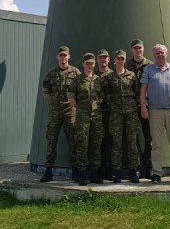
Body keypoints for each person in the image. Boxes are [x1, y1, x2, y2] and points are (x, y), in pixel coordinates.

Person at [140, 43, 170, 183]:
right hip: (155, 110)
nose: (160, 55)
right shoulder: (149, 69)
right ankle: (156, 173)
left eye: (162, 52)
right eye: (157, 53)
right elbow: (143, 89)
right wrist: (143, 107)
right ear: (154, 55)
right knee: (156, 144)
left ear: (166, 54)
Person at [40, 45, 80, 182]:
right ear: (58, 57)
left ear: (69, 56)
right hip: (55, 112)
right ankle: (48, 171)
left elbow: (81, 90)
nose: (63, 58)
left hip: (70, 111)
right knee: (51, 141)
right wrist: (55, 103)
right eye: (61, 55)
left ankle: (75, 171)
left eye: (65, 55)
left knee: (73, 141)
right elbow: (45, 93)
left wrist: (73, 104)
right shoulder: (51, 74)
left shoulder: (75, 73)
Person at [103, 49, 141, 183]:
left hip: (131, 113)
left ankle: (134, 170)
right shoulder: (109, 77)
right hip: (116, 114)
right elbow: (107, 96)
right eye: (118, 59)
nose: (120, 61)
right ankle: (117, 171)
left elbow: (137, 92)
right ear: (114, 60)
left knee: (132, 143)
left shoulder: (131, 75)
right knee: (116, 143)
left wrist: (134, 107)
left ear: (125, 61)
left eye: (122, 59)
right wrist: (114, 107)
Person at [68, 52, 105, 185]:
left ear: (94, 65)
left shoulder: (98, 80)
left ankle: (94, 173)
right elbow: (71, 96)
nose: (89, 65)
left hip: (96, 116)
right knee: (82, 144)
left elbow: (101, 96)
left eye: (92, 63)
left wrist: (94, 105)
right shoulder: (77, 80)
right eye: (87, 63)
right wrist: (80, 108)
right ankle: (82, 174)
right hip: (82, 116)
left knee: (96, 144)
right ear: (83, 64)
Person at [125, 38, 153, 178]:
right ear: (132, 50)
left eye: (140, 48)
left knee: (149, 137)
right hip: (131, 107)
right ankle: (137, 166)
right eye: (135, 48)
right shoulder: (127, 65)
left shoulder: (150, 66)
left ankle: (148, 166)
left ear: (143, 49)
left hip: (147, 106)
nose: (138, 50)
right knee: (133, 137)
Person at [95, 49, 114, 181]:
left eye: (105, 57)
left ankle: (109, 170)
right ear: (97, 60)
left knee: (110, 142)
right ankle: (98, 171)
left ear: (109, 60)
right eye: (100, 57)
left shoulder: (114, 75)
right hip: (96, 113)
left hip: (111, 113)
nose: (103, 60)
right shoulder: (93, 75)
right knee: (97, 142)